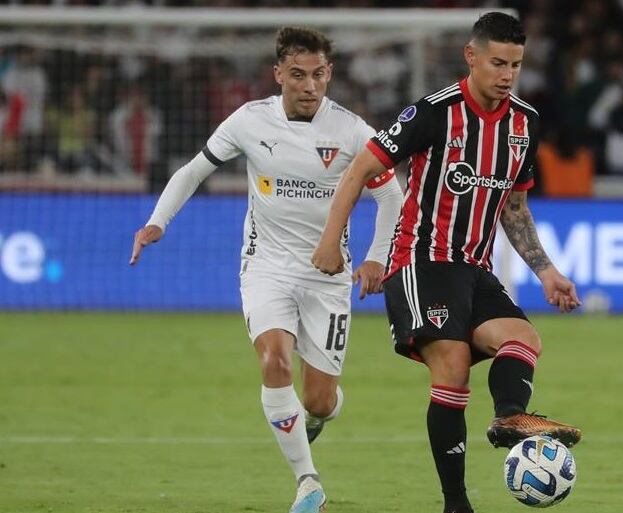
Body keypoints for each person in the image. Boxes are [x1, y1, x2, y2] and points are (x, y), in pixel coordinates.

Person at [311, 12, 582, 513]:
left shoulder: (525, 123)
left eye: (516, 65)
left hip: (475, 269)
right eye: (497, 62)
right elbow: (360, 171)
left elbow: (515, 208)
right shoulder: (433, 113)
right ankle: (456, 504)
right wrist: (333, 242)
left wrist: (547, 272)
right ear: (471, 57)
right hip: (419, 260)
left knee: (524, 341)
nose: (506, 74)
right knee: (453, 367)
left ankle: (509, 419)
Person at [129, 27, 403, 513]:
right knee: (274, 362)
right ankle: (308, 483)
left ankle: (314, 417)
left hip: (328, 277)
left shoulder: (353, 132)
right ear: (278, 75)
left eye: (318, 75)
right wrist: (157, 222)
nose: (309, 86)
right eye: (297, 75)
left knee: (319, 401)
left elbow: (391, 196)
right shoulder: (249, 121)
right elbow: (194, 170)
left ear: (329, 74)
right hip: (266, 267)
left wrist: (377, 256)